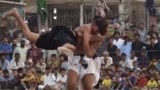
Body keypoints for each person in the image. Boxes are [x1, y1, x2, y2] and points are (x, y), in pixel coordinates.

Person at [3, 8, 107, 57]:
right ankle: (66, 47)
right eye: (94, 25)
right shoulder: (88, 28)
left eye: (96, 28)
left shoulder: (95, 33)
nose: (93, 27)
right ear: (94, 23)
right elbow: (85, 45)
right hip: (66, 35)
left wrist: (98, 39)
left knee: (29, 36)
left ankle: (15, 13)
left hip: (58, 41)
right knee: (71, 45)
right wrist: (88, 48)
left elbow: (88, 52)